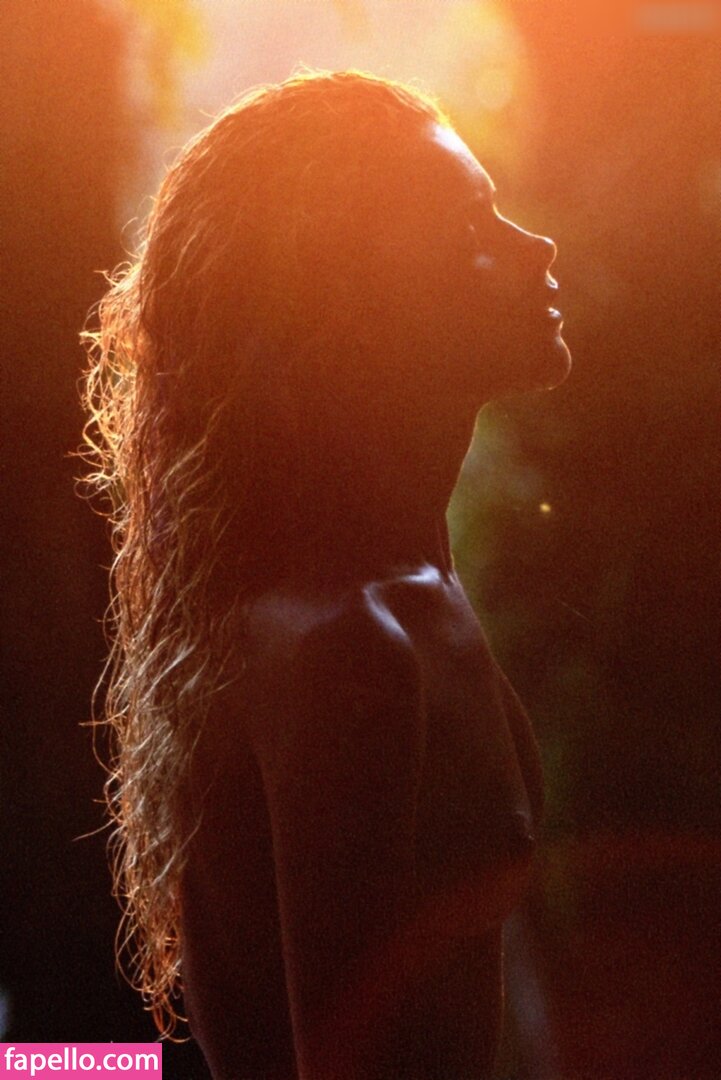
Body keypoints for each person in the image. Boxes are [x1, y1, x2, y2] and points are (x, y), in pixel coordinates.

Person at [80, 69, 570, 1080]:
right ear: (354, 298)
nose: (537, 247)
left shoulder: (401, 596)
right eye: (469, 225)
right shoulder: (348, 646)